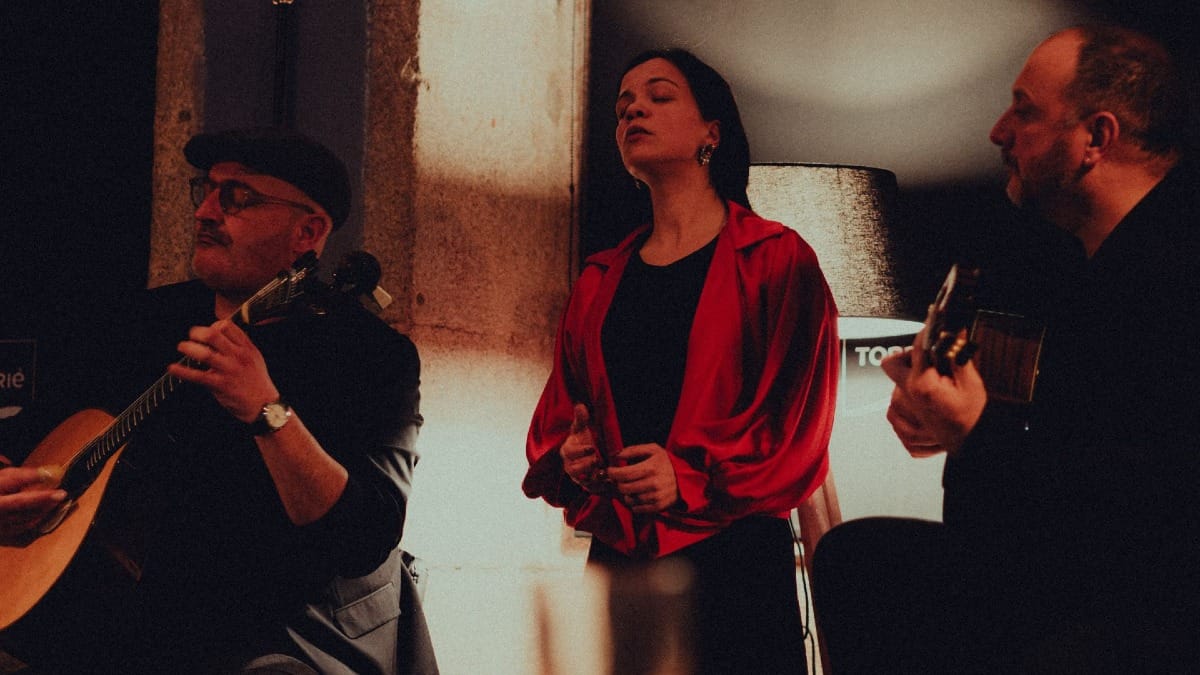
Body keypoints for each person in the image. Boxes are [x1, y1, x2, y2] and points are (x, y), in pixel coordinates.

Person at [812, 24, 1200, 673]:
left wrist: (972, 428)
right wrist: (955, 428)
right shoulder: (1085, 266)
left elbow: (1126, 530)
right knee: (862, 556)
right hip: (1078, 582)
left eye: (1025, 110)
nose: (997, 131)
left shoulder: (1171, 278)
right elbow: (1045, 491)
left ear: (1095, 140)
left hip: (1143, 610)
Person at [0, 127, 435, 674]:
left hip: (267, 637)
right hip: (107, 614)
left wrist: (267, 411)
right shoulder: (147, 320)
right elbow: (32, 437)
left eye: (238, 198)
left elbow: (362, 537)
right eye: (205, 190)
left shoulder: (369, 357)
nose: (206, 211)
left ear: (309, 231)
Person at [523, 48, 840, 674]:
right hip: (623, 558)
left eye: (659, 96)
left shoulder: (779, 259)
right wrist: (573, 456)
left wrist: (689, 476)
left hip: (735, 559)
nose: (633, 109)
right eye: (622, 107)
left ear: (711, 133)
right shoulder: (598, 277)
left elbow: (800, 431)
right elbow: (560, 417)